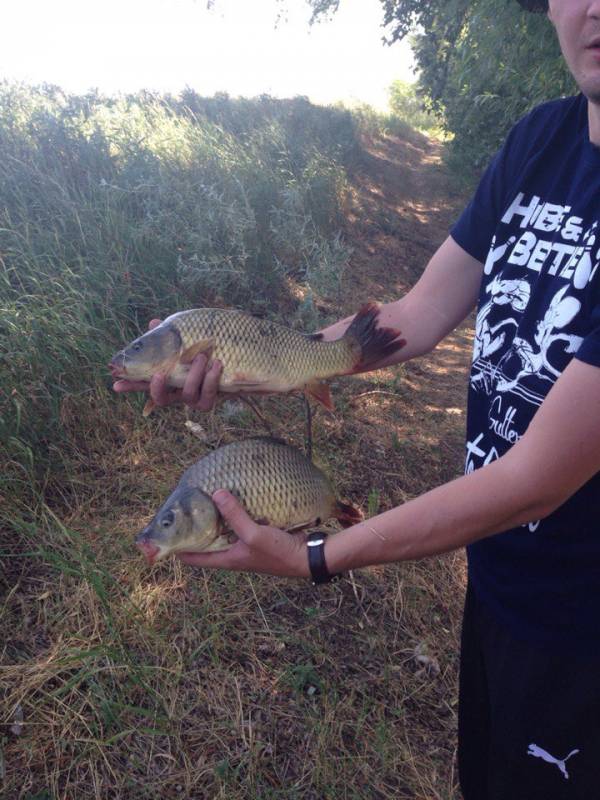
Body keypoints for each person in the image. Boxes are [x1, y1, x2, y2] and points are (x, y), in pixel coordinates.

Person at [113, 1, 600, 795]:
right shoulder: (541, 140)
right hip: (504, 586)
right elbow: (414, 315)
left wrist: (316, 554)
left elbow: (534, 480)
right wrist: (270, 361)